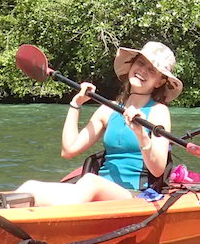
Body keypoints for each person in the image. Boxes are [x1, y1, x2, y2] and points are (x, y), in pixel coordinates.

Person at [11, 41, 182, 206]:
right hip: (95, 190)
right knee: (30, 186)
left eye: (151, 70)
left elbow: (158, 169)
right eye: (140, 63)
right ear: (131, 65)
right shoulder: (108, 109)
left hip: (134, 194)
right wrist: (76, 103)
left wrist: (141, 134)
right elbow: (69, 150)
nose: (142, 70)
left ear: (160, 81)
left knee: (91, 182)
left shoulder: (159, 111)